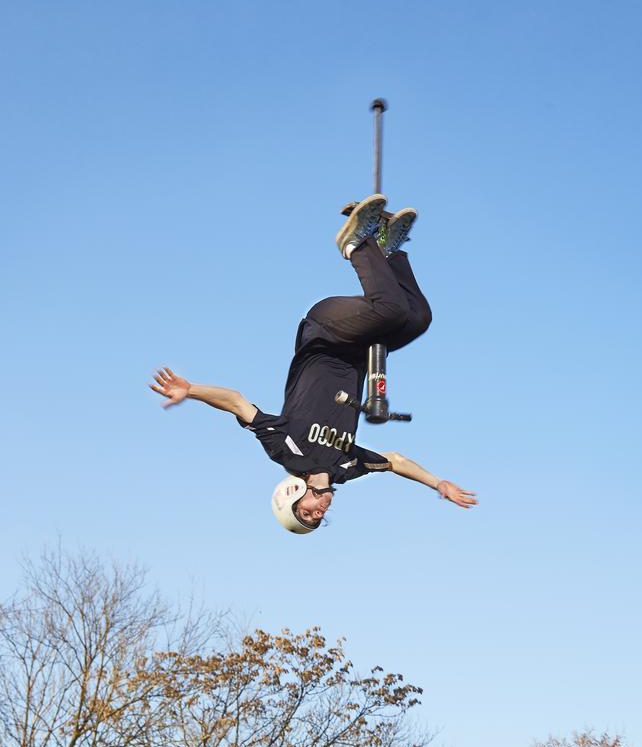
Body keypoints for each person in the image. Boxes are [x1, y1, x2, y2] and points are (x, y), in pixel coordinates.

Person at [150, 194, 477, 533]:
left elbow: (235, 401)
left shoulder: (286, 450)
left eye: (306, 513)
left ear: (291, 495)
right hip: (361, 346)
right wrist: (438, 483)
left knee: (390, 309)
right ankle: (386, 248)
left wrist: (190, 391)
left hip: (325, 331)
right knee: (418, 318)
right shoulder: (346, 466)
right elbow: (394, 461)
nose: (317, 513)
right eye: (317, 520)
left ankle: (354, 243)